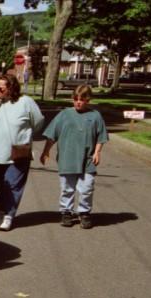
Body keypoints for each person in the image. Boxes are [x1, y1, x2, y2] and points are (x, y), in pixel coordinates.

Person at [0, 73, 44, 231]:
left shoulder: (25, 102)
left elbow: (38, 122)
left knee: (13, 186)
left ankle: (9, 215)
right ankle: (2, 212)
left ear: (11, 87)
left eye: (1, 87)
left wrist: (25, 136)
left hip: (18, 153)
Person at [39, 85, 108, 229]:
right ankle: (66, 212)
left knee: (87, 188)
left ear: (88, 100)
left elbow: (101, 137)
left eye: (82, 100)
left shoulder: (95, 116)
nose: (78, 102)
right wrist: (46, 151)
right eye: (75, 99)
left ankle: (84, 212)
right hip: (67, 158)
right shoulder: (64, 115)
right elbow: (52, 135)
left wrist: (97, 152)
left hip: (88, 159)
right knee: (67, 188)